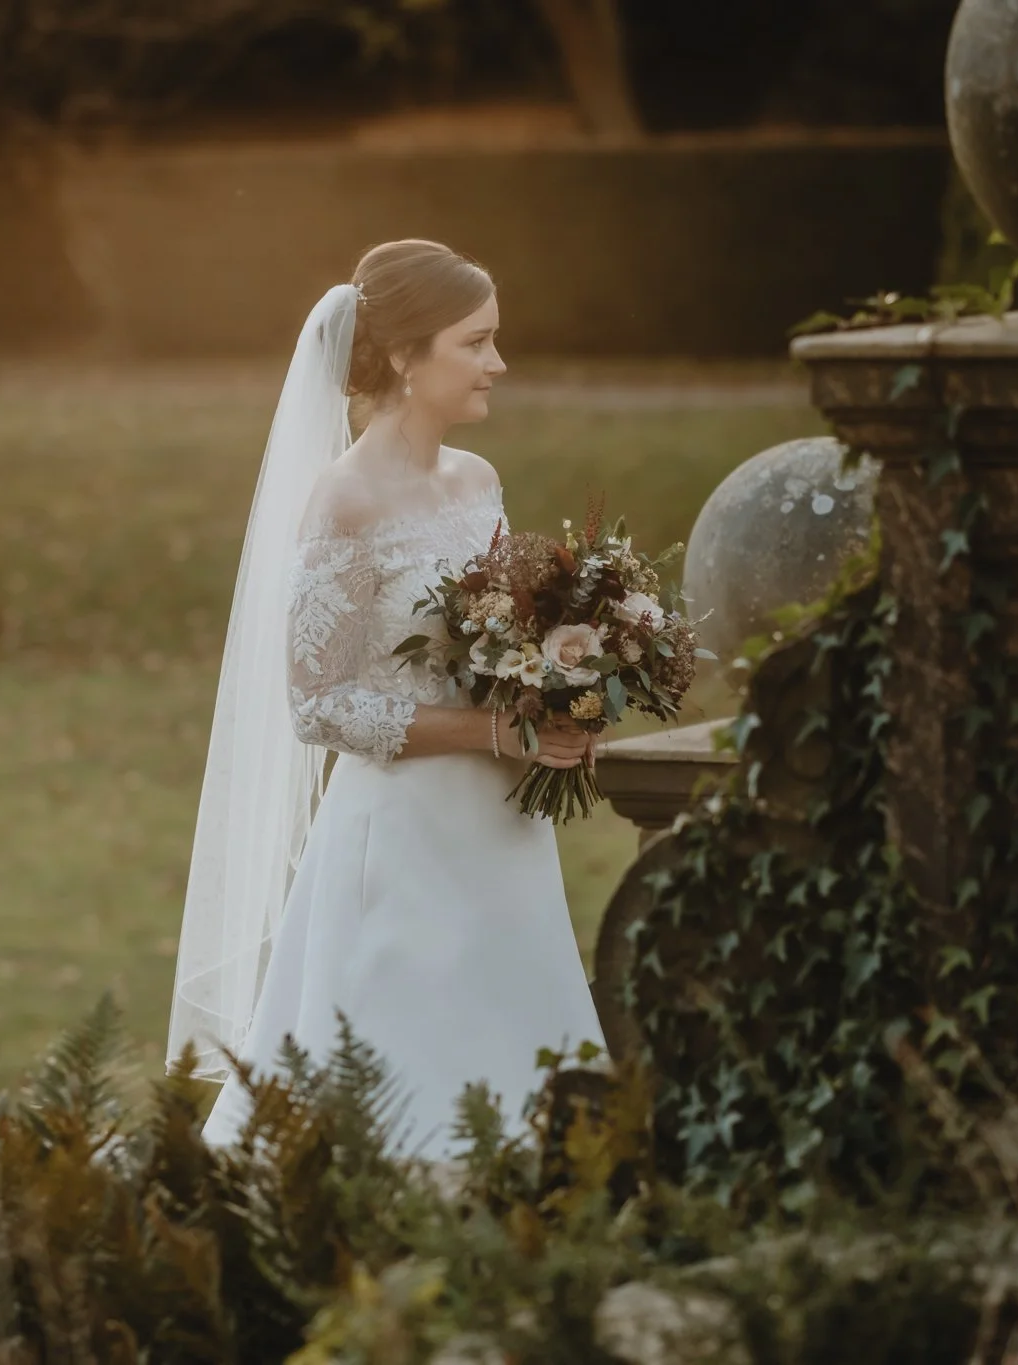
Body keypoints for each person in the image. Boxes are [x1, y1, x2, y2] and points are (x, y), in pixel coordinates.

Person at [167, 239, 607, 1162]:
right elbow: (319, 705)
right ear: (407, 357)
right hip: (403, 842)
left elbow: (499, 639)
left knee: (518, 1059)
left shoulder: (477, 481)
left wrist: (559, 693)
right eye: (475, 343)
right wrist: (497, 727)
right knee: (394, 1087)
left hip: (503, 828)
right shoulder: (345, 502)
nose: (498, 363)